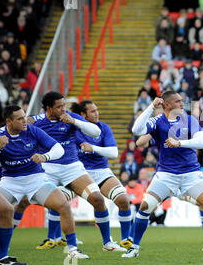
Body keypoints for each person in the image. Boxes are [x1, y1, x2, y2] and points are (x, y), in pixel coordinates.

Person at [15, 92, 124, 252]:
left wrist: (74, 121)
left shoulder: (70, 117)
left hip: (72, 167)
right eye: (59, 107)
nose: (63, 109)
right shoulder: (36, 122)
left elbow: (96, 132)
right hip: (47, 169)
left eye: (64, 105)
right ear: (48, 108)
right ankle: (3, 249)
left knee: (97, 199)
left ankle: (107, 243)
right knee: (22, 202)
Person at [124, 90, 203, 258]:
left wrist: (180, 143)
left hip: (191, 173)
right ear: (166, 105)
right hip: (166, 175)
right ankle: (134, 248)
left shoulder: (189, 120)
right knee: (145, 207)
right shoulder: (157, 121)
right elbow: (136, 130)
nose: (182, 104)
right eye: (177, 101)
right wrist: (151, 107)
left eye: (182, 101)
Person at [0, 105, 88, 265]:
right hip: (10, 181)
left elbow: (58, 148)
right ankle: (2, 256)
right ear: (9, 121)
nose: (25, 121)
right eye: (20, 118)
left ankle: (73, 248)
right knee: (5, 211)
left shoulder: (32, 131)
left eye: (25, 116)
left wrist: (45, 156)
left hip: (36, 179)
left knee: (63, 205)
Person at [71, 100, 134, 248]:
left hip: (101, 171)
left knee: (123, 200)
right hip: (78, 172)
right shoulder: (72, 129)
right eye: (92, 111)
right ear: (82, 115)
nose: (97, 113)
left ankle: (125, 239)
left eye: (97, 110)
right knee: (61, 201)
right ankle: (54, 238)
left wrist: (92, 148)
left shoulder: (103, 128)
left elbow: (113, 152)